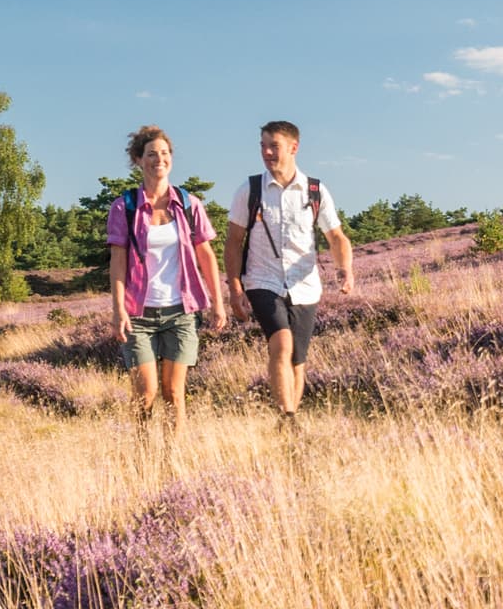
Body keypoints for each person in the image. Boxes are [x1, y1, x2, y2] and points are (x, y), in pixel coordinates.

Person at [226, 118, 354, 421]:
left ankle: (289, 421)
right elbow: (233, 242)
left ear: (294, 148)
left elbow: (336, 236)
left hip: (305, 285)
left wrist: (345, 269)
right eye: (263, 146)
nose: (267, 153)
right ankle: (287, 416)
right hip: (262, 281)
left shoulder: (315, 191)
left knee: (298, 360)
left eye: (274, 146)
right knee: (281, 344)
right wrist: (235, 287)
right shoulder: (250, 190)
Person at [103, 125, 224, 431]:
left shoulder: (188, 204)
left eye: (165, 153)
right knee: (146, 393)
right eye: (152, 154)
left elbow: (206, 256)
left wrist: (218, 303)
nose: (160, 159)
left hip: (181, 312)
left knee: (174, 393)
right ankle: (144, 458)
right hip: (138, 314)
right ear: (139, 160)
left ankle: (172, 462)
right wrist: (118, 310)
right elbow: (118, 262)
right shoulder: (125, 207)